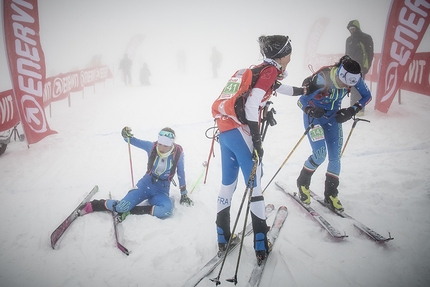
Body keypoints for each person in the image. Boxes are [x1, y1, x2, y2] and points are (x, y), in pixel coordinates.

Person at [215, 35, 307, 263]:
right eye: (289, 52)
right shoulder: (269, 71)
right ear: (283, 55)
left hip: (224, 131)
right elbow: (252, 103)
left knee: (228, 184)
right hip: (240, 133)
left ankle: (222, 238)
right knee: (255, 185)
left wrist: (303, 90)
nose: (291, 56)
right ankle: (260, 243)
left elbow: (277, 88)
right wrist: (256, 139)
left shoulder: (260, 68)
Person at [296, 55, 372, 212]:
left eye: (349, 85)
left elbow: (367, 96)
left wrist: (352, 110)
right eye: (344, 83)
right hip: (315, 118)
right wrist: (310, 110)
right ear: (339, 74)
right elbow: (300, 101)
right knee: (320, 154)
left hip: (333, 118)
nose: (346, 86)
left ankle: (331, 194)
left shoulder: (354, 78)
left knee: (335, 157)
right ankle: (302, 183)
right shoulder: (322, 79)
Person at [79, 127, 193, 220]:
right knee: (121, 207)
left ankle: (132, 211)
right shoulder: (151, 147)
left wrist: (183, 194)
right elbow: (130, 140)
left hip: (161, 190)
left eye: (166, 145)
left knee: (167, 210)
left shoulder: (178, 153)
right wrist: (125, 134)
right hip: (145, 185)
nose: (162, 148)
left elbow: (181, 173)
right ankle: (95, 205)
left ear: (172, 144)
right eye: (160, 144)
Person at [345, 20, 374, 116]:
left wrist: (367, 66)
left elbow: (370, 53)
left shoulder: (366, 38)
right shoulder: (348, 40)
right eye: (350, 29)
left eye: (354, 28)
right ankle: (352, 108)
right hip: (350, 67)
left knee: (360, 88)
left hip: (361, 67)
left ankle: (360, 109)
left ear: (358, 28)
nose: (352, 31)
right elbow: (347, 54)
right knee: (352, 88)